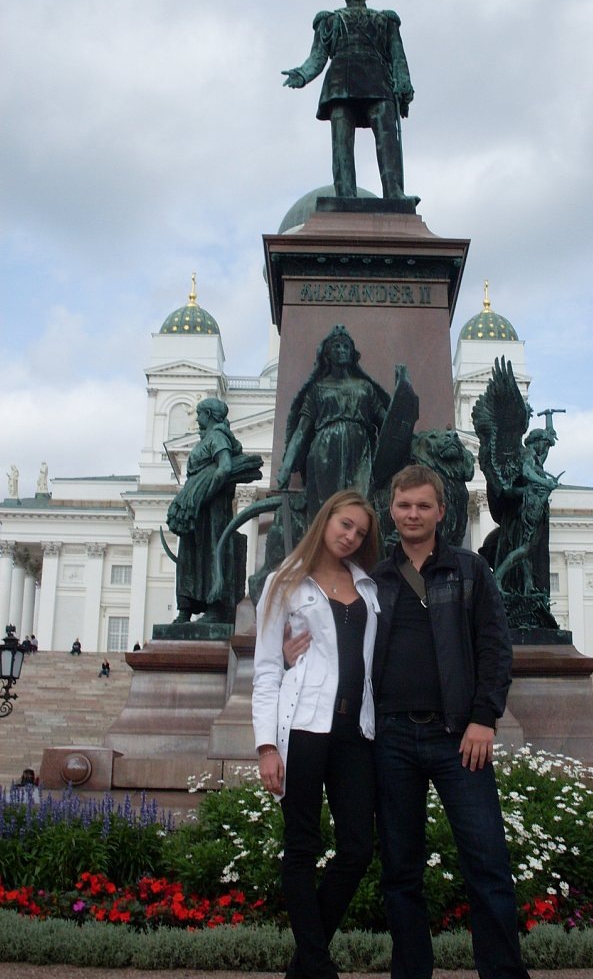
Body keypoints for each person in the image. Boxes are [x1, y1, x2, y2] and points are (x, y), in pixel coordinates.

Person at [371, 464, 531, 979]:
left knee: (487, 863)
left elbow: (495, 646)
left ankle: (502, 973)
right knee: (400, 870)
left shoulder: (470, 569)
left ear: (441, 511)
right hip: (392, 737)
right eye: (404, 505)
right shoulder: (376, 578)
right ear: (391, 510)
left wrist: (484, 718)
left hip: (458, 736)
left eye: (423, 505)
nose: (413, 514)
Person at [252, 490, 381, 979]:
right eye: (345, 525)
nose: (350, 537)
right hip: (304, 726)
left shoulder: (368, 586)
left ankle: (304, 965)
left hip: (355, 730)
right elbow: (267, 669)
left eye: (360, 533)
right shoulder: (284, 583)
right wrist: (267, 746)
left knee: (357, 848)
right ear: (326, 520)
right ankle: (319, 967)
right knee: (302, 846)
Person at [282, 0, 415, 201]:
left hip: (378, 82)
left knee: (387, 138)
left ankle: (394, 193)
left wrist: (403, 87)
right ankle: (345, 195)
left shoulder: (386, 20)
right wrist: (302, 74)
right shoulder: (330, 21)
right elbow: (318, 56)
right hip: (340, 82)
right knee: (341, 143)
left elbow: (398, 56)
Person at [277, 326, 390, 524]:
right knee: (327, 510)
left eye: (346, 346)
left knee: (359, 505)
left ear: (352, 353)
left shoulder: (365, 387)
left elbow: (385, 421)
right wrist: (286, 465)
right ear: (327, 354)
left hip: (360, 451)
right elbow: (302, 430)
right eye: (336, 347)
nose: (341, 350)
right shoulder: (317, 389)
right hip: (324, 451)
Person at [166, 397, 262, 624]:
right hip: (196, 508)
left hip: (212, 508)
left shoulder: (218, 437)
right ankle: (186, 609)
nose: (197, 418)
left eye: (199, 413)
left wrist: (204, 493)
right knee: (189, 556)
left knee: (212, 551)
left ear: (209, 414)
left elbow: (225, 467)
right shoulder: (206, 439)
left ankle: (215, 607)